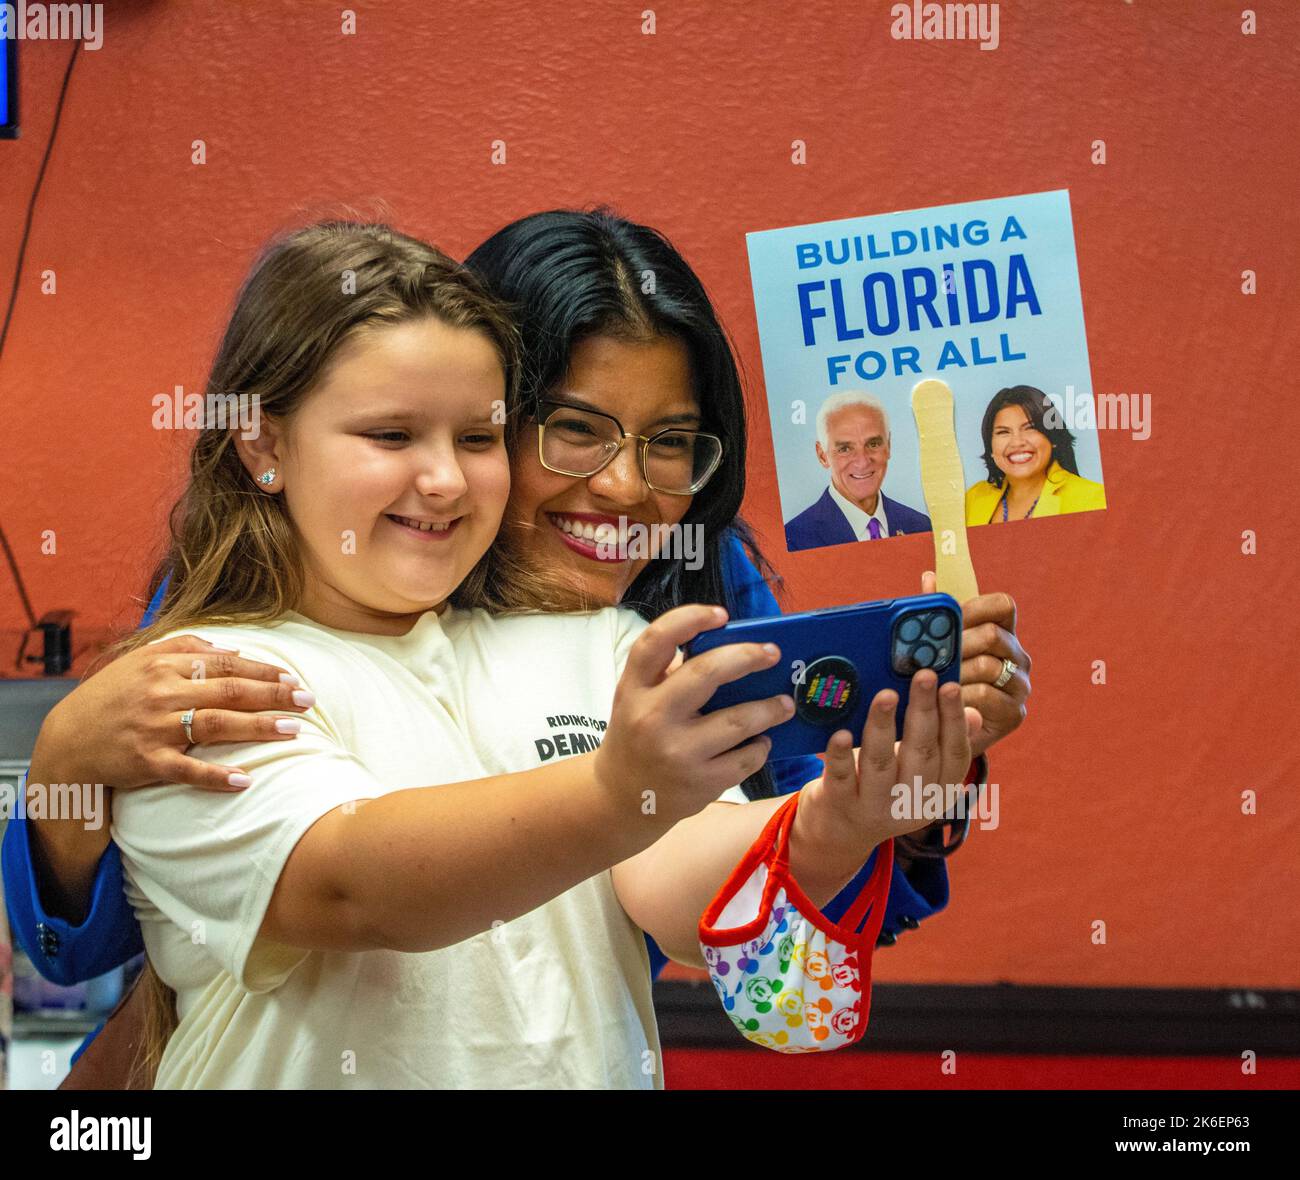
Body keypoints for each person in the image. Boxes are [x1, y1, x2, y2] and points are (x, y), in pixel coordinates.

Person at [5, 212, 1031, 1085]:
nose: (626, 489)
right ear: (268, 444)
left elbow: (703, 888)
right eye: (572, 430)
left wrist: (844, 814)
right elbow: (332, 884)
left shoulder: (633, 626)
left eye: (474, 438)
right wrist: (60, 770)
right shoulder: (234, 651)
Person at [784, 391, 931, 552]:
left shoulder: (920, 526)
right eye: (845, 449)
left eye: (873, 444)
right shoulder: (795, 540)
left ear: (888, 446)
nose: (862, 462)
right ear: (822, 455)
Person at [966, 385, 1107, 525]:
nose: (1017, 442)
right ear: (990, 447)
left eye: (1030, 429)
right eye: (1003, 432)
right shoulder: (973, 499)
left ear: (1053, 438)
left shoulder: (1094, 499)